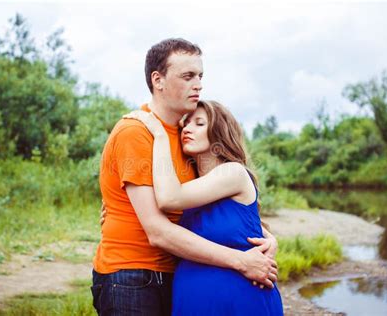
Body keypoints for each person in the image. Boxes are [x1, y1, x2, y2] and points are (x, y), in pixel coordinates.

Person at [91, 38, 278, 316]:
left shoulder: (182, 142)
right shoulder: (137, 131)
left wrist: (268, 237)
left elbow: (215, 211)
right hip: (133, 276)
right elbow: (158, 229)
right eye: (188, 76)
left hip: (175, 274)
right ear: (158, 80)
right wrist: (241, 261)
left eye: (200, 76)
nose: (198, 84)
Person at [125, 100, 284, 315]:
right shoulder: (193, 187)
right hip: (193, 302)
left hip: (240, 301)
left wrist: (159, 134)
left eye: (199, 123)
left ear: (219, 133)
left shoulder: (233, 172)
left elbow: (169, 198)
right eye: (185, 124)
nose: (187, 129)